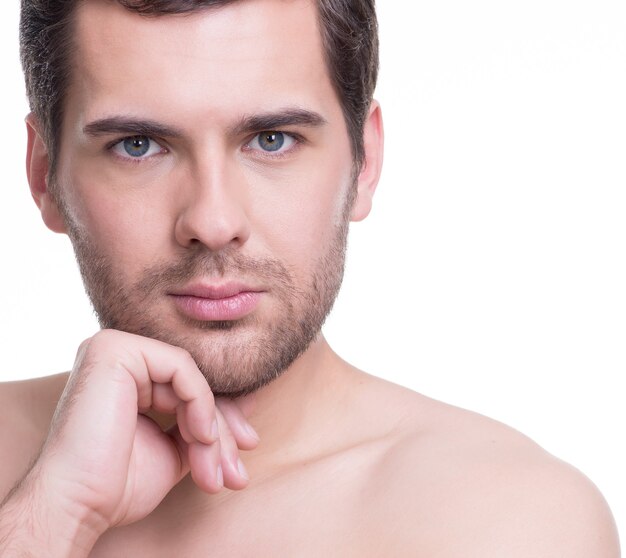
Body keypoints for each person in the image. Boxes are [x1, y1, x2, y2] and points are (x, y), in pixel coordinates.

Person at [0, 0, 620, 555]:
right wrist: (52, 516)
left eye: (272, 140)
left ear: (365, 163)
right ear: (43, 175)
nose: (213, 222)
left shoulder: (507, 523)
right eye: (138, 145)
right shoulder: (28, 498)